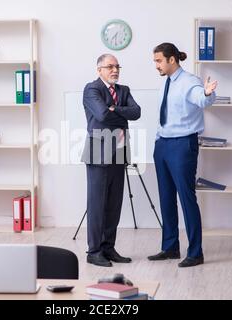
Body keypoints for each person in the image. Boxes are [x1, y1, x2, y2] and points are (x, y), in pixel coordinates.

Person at [148, 43, 217, 267]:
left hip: (182, 145)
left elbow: (202, 98)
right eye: (155, 61)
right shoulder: (166, 83)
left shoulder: (189, 81)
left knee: (187, 198)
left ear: (171, 60)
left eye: (159, 61)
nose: (156, 65)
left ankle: (195, 252)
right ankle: (170, 248)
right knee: (166, 197)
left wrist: (208, 93)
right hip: (163, 145)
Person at [81, 54, 141, 267]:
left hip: (120, 152)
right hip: (99, 153)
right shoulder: (92, 89)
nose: (115, 70)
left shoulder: (124, 90)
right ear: (99, 70)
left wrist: (116, 110)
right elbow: (103, 115)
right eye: (109, 67)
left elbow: (137, 112)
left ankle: (108, 248)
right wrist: (118, 113)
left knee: (114, 204)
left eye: (117, 66)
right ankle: (94, 251)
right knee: (97, 204)